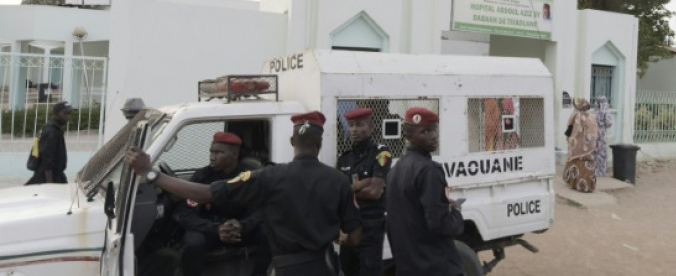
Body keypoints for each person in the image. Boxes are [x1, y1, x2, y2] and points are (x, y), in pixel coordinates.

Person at [126, 111, 362, 276]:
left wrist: (151, 173)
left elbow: (206, 194)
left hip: (287, 266)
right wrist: (340, 237)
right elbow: (355, 236)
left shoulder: (268, 176)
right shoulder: (340, 180)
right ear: (319, 144)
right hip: (325, 265)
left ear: (292, 141)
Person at [174, 131, 269, 276]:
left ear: (234, 154)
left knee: (269, 232)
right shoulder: (202, 176)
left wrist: (242, 226)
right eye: (211, 152)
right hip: (211, 231)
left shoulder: (249, 176)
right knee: (193, 241)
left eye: (218, 152)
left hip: (240, 230)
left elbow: (261, 211)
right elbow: (186, 214)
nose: (212, 157)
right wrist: (216, 228)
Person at [386, 107, 464, 276]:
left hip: (408, 266)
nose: (434, 135)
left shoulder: (395, 169)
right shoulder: (429, 170)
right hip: (435, 266)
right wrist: (456, 213)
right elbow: (439, 223)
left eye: (434, 129)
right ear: (408, 136)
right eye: (425, 131)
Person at [336, 108, 392, 276]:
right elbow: (338, 193)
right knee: (348, 270)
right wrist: (361, 184)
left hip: (370, 229)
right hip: (349, 230)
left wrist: (349, 190)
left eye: (360, 125)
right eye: (351, 125)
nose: (354, 129)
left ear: (371, 128)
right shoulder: (344, 158)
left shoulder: (381, 153)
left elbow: (375, 192)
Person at [26, 101, 72, 185]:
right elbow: (47, 158)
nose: (68, 117)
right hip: (48, 177)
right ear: (57, 114)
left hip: (56, 174)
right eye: (66, 113)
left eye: (70, 113)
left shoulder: (53, 128)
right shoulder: (52, 131)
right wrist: (49, 183)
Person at [563, 94, 598, 193]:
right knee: (586, 164)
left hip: (577, 146)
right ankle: (588, 186)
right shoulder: (592, 116)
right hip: (589, 147)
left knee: (575, 162)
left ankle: (574, 183)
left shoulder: (575, 115)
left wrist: (570, 139)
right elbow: (595, 132)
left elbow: (571, 129)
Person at [593, 96, 614, 177]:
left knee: (595, 151)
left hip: (594, 133)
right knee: (601, 152)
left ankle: (594, 170)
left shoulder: (593, 111)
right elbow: (609, 123)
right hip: (602, 133)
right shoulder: (605, 111)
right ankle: (601, 171)